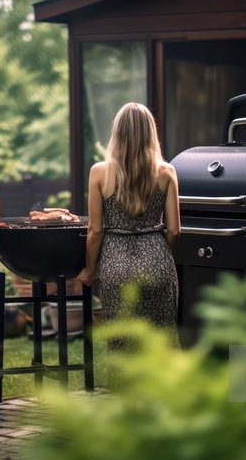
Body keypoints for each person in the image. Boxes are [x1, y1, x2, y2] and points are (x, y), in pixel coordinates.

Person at [76, 102, 180, 348]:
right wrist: (158, 255)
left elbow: (96, 230)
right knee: (161, 339)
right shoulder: (167, 172)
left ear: (118, 133)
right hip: (158, 263)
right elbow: (175, 230)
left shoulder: (99, 173)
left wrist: (90, 270)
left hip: (115, 264)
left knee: (122, 341)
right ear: (150, 132)